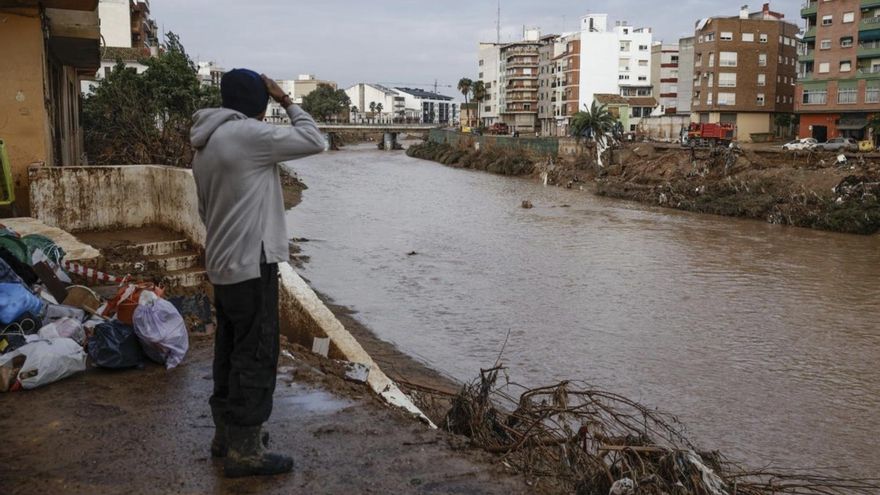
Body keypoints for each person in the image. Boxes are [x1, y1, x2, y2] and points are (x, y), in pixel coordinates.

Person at [190, 69, 325, 478]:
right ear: (258, 102)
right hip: (252, 264)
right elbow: (315, 140)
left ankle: (225, 436)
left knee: (228, 352)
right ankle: (246, 452)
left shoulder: (206, 142)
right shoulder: (247, 135)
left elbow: (204, 209)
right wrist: (287, 99)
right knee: (256, 354)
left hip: (222, 263)